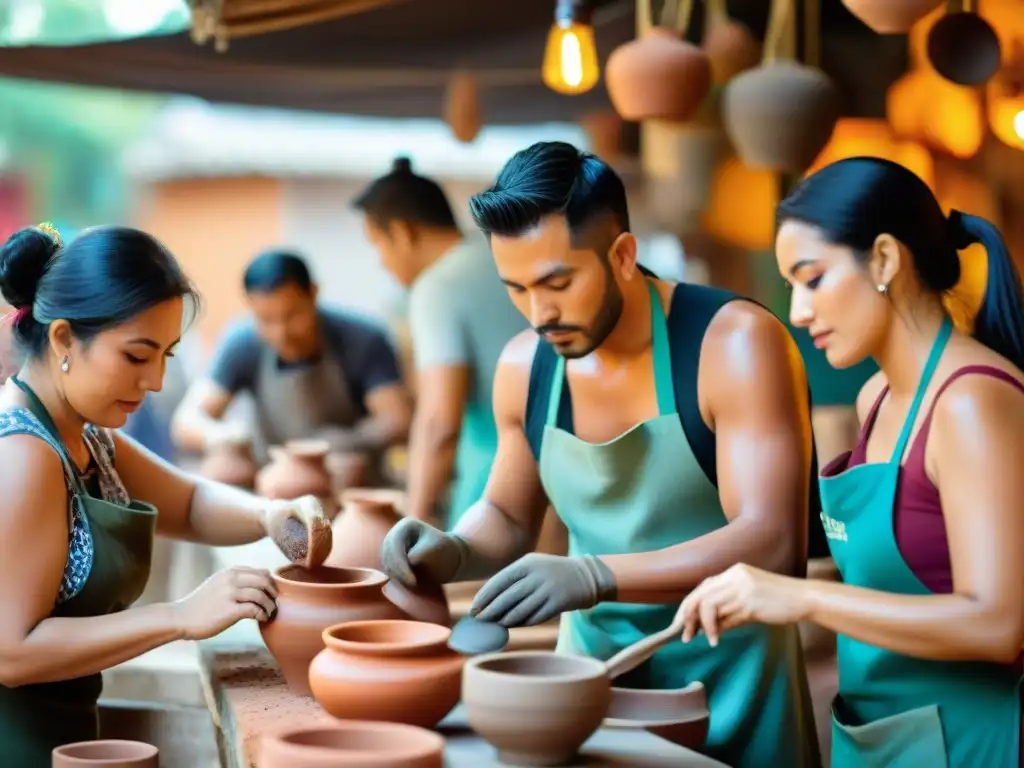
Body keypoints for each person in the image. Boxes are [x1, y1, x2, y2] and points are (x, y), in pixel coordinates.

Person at [380, 142, 821, 767]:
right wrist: (451, 548)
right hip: (589, 688)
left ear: (622, 255)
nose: (541, 313)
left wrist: (593, 575)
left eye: (558, 282)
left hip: (735, 680)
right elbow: (507, 518)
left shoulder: (735, 344)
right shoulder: (524, 367)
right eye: (517, 289)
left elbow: (773, 540)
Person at [678, 157, 1024, 768]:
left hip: (971, 742)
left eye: (812, 279)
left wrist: (803, 599)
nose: (798, 312)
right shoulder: (877, 397)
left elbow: (998, 624)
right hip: (879, 737)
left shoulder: (970, 402)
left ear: (886, 260)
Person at [0, 224, 330, 766]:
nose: (154, 381)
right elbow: (12, 651)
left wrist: (271, 514)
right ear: (63, 338)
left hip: (69, 738)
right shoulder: (23, 452)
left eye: (167, 357)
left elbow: (192, 505)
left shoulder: (86, 436)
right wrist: (179, 616)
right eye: (136, 356)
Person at [353, 157, 528, 528]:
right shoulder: (501, 255)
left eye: (377, 245)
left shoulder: (436, 287)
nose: (381, 263)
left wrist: (413, 519)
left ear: (402, 233)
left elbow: (438, 422)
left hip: (499, 487)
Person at [171, 249, 411, 475]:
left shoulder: (362, 339)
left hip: (347, 476)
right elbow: (186, 421)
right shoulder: (243, 342)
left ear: (313, 293)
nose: (281, 333)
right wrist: (222, 436)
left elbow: (397, 420)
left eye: (292, 316)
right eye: (266, 319)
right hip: (272, 477)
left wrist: (347, 441)